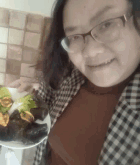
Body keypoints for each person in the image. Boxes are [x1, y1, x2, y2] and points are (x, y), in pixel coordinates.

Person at [9, 0, 140, 164]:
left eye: (107, 25)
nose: (90, 51)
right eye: (74, 37)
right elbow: (50, 98)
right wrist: (35, 91)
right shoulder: (73, 75)